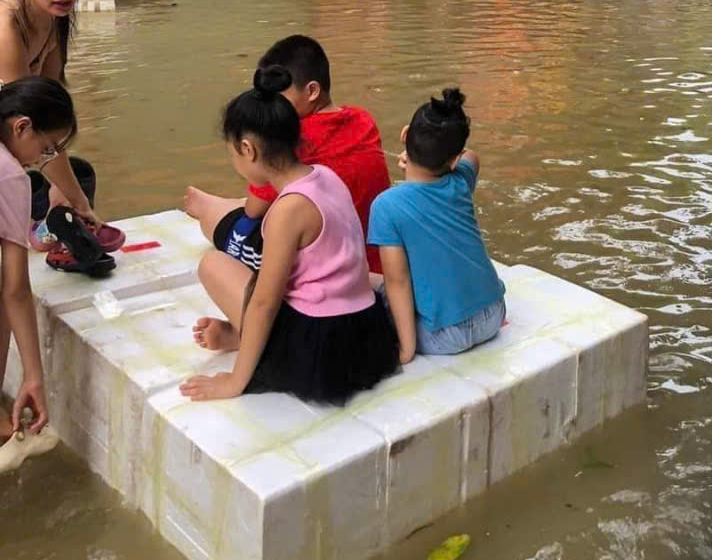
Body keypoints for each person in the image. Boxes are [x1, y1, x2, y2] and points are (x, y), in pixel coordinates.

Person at [181, 65, 398, 405]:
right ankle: (240, 335)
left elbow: (266, 301)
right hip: (365, 331)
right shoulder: (325, 176)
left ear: (248, 149)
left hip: (321, 348)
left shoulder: (288, 210)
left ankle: (247, 342)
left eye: (232, 152)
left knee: (213, 265)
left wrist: (236, 381)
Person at [186, 35, 390, 275]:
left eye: (279, 99)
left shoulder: (292, 137)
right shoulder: (362, 118)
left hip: (330, 261)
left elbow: (254, 210)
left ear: (312, 91)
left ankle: (202, 203)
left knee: (211, 214)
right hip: (375, 253)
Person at [367, 87, 505, 361]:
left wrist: (406, 349)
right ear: (454, 159)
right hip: (494, 314)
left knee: (364, 278)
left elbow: (398, 282)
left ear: (405, 135)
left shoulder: (386, 206)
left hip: (443, 337)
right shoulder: (460, 181)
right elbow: (472, 157)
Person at [0, 0, 101, 231]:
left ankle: (52, 233)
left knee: (77, 174)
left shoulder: (53, 17)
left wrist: (64, 189)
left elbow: (51, 110)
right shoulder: (6, 26)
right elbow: (29, 118)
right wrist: (79, 201)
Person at [0, 77, 73, 471]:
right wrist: (33, 376)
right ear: (21, 126)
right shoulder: (10, 176)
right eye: (46, 149)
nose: (41, 160)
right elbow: (15, 289)